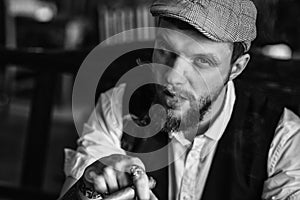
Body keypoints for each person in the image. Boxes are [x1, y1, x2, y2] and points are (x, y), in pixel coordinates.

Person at [60, 0, 300, 199]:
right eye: (165, 50)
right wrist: (88, 188)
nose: (172, 77)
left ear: (236, 68)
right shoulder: (119, 107)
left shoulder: (282, 139)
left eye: (202, 62)